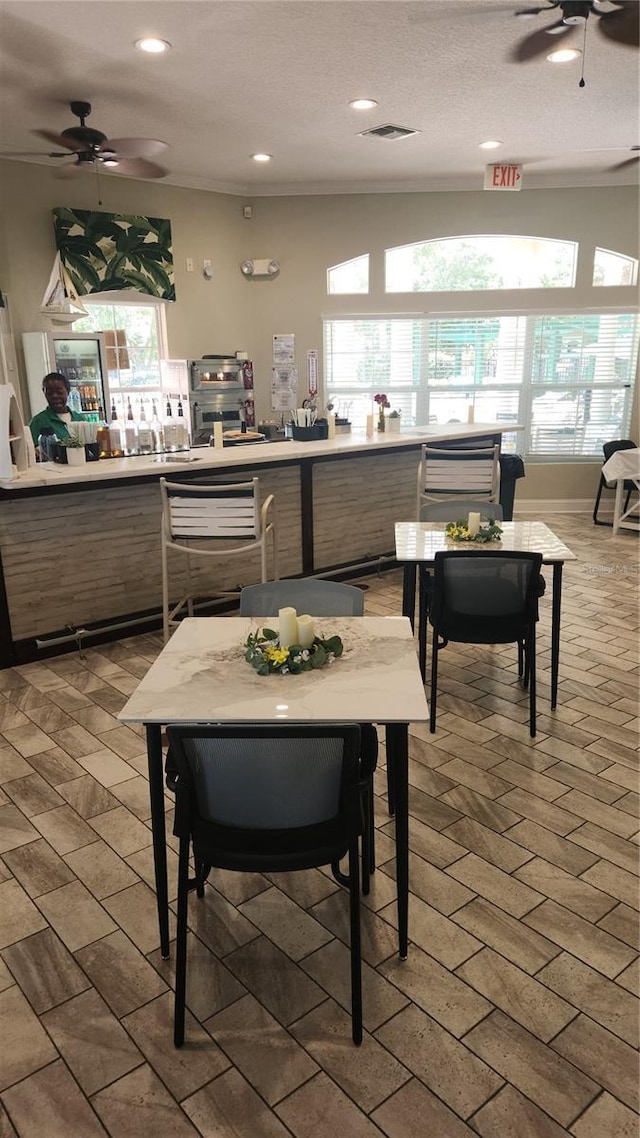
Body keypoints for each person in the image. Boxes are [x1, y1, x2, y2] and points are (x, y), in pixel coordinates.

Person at [29, 372, 85, 451]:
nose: (55, 396)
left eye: (59, 392)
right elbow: (29, 450)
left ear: (68, 391)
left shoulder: (80, 419)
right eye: (50, 393)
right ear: (44, 393)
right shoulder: (38, 421)